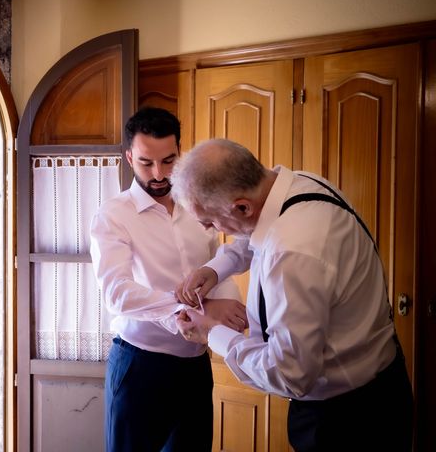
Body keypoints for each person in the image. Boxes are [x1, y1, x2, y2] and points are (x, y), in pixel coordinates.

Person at [170, 138, 413, 452]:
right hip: (378, 386)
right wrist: (215, 268)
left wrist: (212, 333)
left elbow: (290, 373)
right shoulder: (297, 185)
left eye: (211, 221)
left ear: (242, 206)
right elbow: (255, 232)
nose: (211, 230)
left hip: (349, 421)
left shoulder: (291, 253)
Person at [90, 108, 248, 452]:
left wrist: (228, 307)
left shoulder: (197, 204)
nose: (159, 174)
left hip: (195, 366)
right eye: (146, 163)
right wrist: (189, 308)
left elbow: (215, 265)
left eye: (168, 161)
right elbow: (117, 294)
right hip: (140, 367)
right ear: (130, 157)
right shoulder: (113, 215)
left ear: (181, 153)